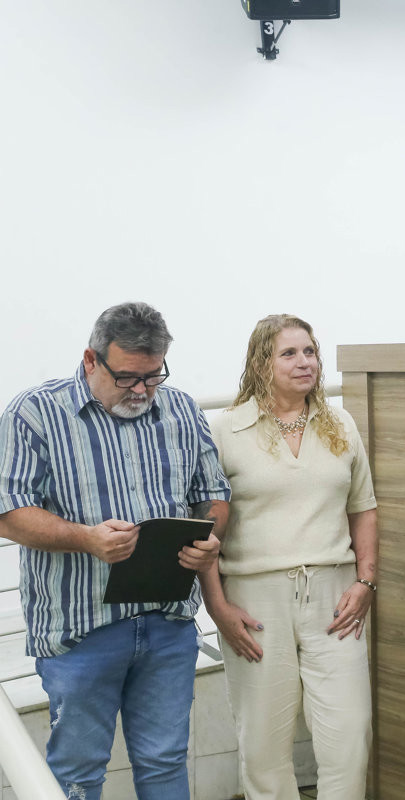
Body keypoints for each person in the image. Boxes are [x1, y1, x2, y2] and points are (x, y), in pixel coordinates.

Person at [0, 302, 229, 800]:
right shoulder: (32, 413)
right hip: (80, 631)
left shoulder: (184, 409)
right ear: (90, 359)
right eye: (127, 378)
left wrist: (210, 540)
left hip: (169, 625)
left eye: (154, 376)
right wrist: (86, 538)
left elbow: (213, 495)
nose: (143, 391)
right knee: (78, 776)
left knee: (166, 763)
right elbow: (10, 511)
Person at [200, 314, 378, 800]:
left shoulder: (340, 423)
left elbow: (363, 508)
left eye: (310, 351)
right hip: (255, 602)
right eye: (289, 353)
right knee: (262, 747)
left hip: (335, 599)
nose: (305, 362)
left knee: (350, 736)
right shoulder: (225, 431)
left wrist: (365, 582)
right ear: (262, 362)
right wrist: (217, 607)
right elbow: (205, 535)